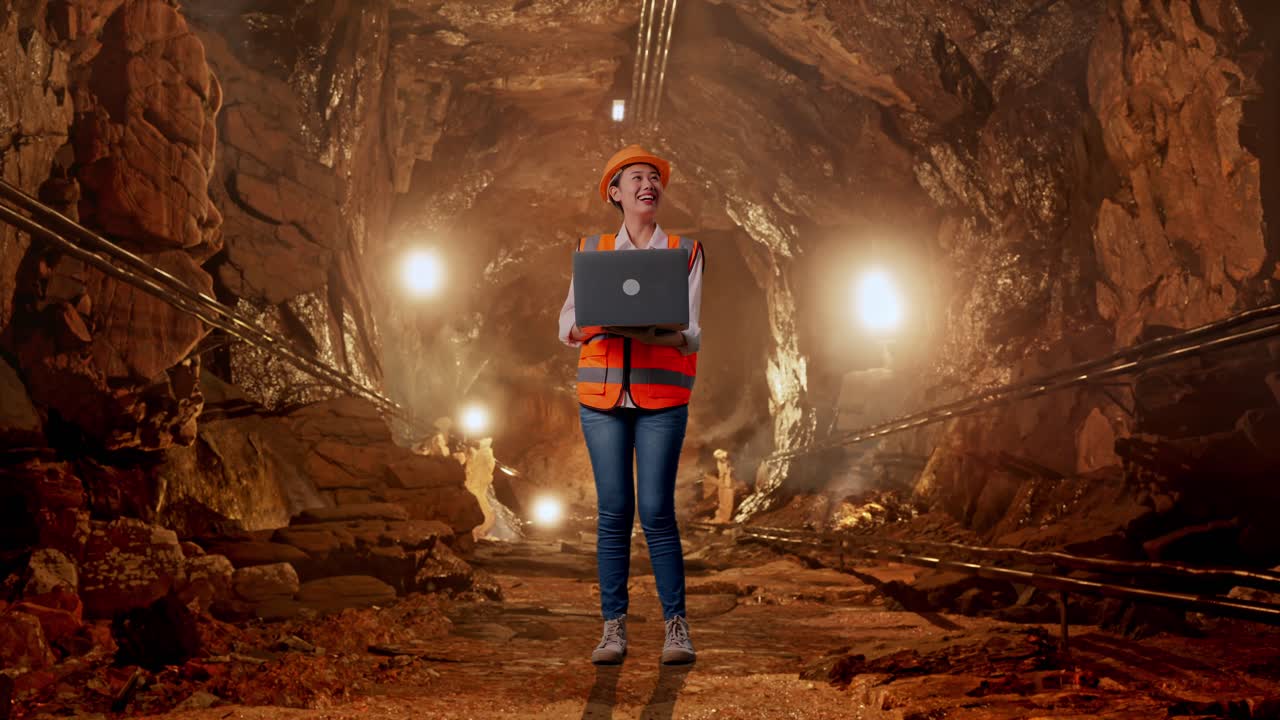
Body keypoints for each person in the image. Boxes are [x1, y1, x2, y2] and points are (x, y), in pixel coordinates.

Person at [558, 145, 704, 666]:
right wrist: (597, 323)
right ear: (615, 194)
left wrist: (655, 332)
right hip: (601, 401)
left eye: (655, 178)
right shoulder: (591, 250)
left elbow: (691, 333)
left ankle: (675, 628)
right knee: (614, 513)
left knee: (658, 512)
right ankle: (613, 628)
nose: (649, 184)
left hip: (661, 399)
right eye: (636, 177)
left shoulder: (684, 252)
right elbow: (566, 324)